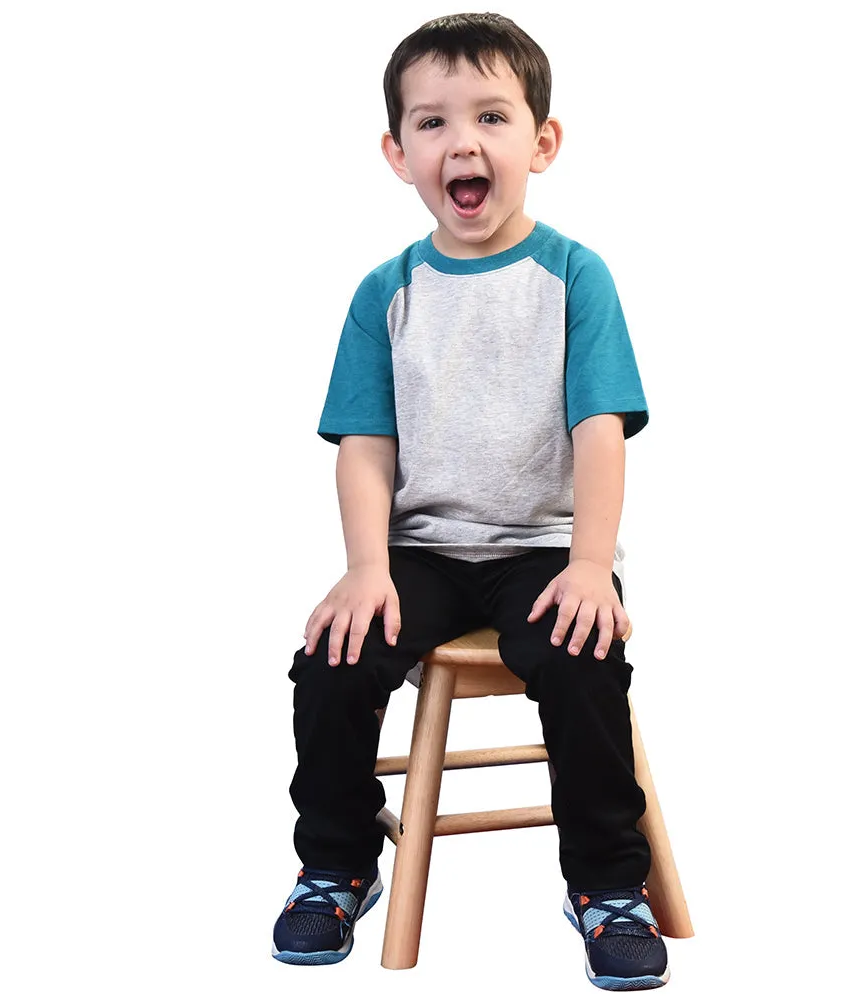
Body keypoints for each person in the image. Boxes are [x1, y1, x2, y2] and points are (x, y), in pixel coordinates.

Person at [272, 12, 669, 991]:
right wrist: (368, 567)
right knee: (333, 656)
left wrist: (589, 560)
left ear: (541, 141)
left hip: (544, 546)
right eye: (432, 122)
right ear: (396, 153)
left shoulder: (574, 277)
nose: (463, 141)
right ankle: (335, 861)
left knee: (581, 661)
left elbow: (599, 431)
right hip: (427, 551)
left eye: (491, 116)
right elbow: (364, 449)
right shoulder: (385, 291)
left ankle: (605, 885)